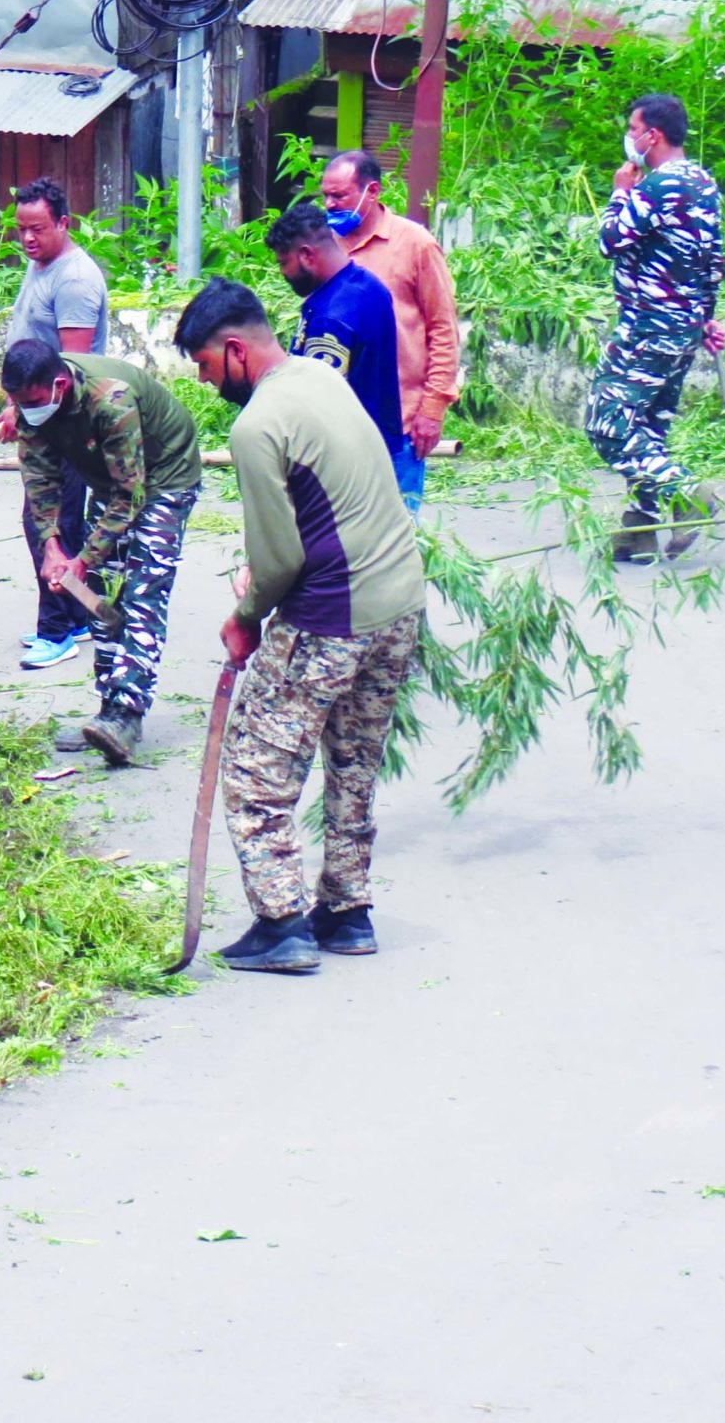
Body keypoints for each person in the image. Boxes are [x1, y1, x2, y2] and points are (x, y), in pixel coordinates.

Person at [173, 278, 425, 976]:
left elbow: (280, 558)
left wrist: (245, 618)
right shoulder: (319, 374)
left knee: (256, 771)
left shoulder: (256, 426)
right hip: (400, 605)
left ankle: (282, 923)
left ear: (233, 350)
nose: (204, 379)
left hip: (332, 617)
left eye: (202, 365)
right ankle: (347, 913)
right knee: (353, 764)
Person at [1, 336, 202, 765]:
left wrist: (83, 557)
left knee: (143, 589)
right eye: (18, 403)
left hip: (165, 475)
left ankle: (126, 714)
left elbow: (132, 494)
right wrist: (53, 549)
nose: (26, 411)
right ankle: (107, 707)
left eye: (33, 401)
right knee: (102, 592)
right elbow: (40, 479)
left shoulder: (110, 399)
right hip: (111, 479)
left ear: (60, 385)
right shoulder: (32, 403)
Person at [587, 94, 725, 562]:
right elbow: (711, 262)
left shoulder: (660, 185)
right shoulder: (703, 183)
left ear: (654, 135)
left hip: (648, 325)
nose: (629, 136)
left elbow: (611, 240)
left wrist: (619, 191)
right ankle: (638, 530)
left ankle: (686, 493)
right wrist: (705, 317)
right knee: (646, 427)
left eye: (633, 128)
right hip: (682, 327)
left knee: (607, 423)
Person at [0, 177, 113, 671]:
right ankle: (83, 613)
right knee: (62, 519)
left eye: (38, 229)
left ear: (64, 222)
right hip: (40, 413)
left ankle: (57, 630)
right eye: (20, 230)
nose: (28, 239)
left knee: (48, 521)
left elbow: (72, 368)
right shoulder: (39, 265)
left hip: (67, 421)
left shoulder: (76, 279)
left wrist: (23, 410)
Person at [320, 149, 460, 503]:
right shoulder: (322, 245)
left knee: (400, 533)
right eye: (325, 196)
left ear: (373, 191)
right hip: (337, 422)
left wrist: (432, 409)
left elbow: (443, 328)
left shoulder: (415, 245)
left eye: (339, 196)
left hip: (402, 421)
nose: (330, 204)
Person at [266, 200, 415, 500]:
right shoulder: (369, 285)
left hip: (347, 463)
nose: (283, 272)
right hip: (380, 443)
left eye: (284, 263)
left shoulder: (330, 317)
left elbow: (318, 405)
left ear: (306, 255)